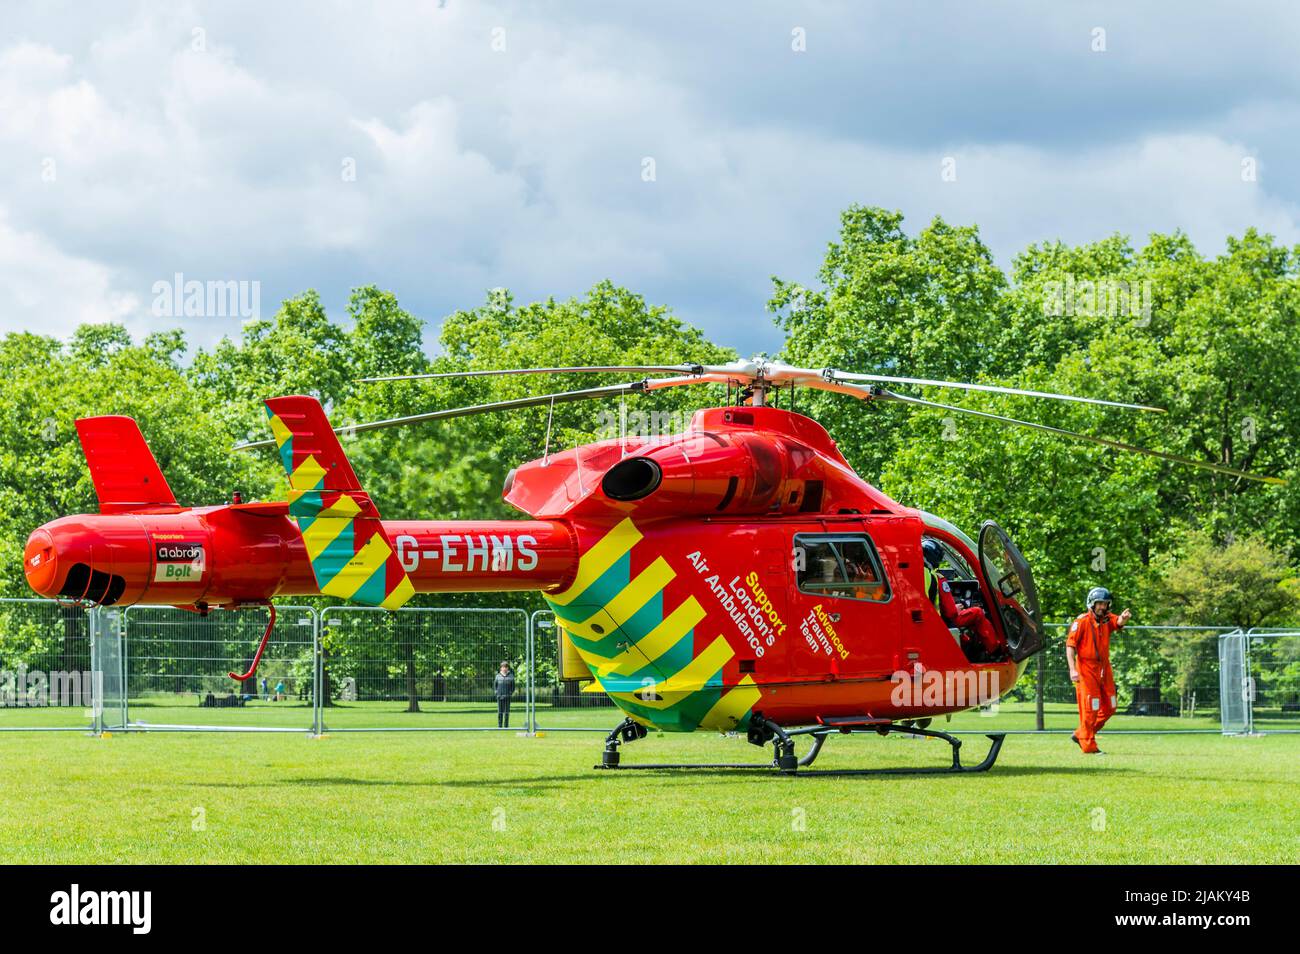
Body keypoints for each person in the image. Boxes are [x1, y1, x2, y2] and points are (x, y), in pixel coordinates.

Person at [1066, 586, 1132, 754]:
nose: (1103, 607)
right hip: (1086, 669)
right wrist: (1072, 669)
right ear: (1092, 604)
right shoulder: (1080, 622)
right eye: (1100, 604)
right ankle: (1089, 746)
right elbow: (1070, 646)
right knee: (1091, 707)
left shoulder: (1107, 619)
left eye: (1105, 604)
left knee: (1111, 706)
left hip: (1104, 668)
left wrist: (1123, 619)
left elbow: (1117, 622)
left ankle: (1081, 734)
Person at [921, 538, 1000, 658]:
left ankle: (969, 650)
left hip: (927, 623)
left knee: (963, 635)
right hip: (939, 623)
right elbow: (951, 612)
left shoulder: (915, 573)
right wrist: (957, 608)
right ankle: (995, 650)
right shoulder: (937, 578)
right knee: (977, 612)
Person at [493, 661, 516, 728]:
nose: (504, 668)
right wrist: (496, 693)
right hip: (499, 697)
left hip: (507, 697)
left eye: (506, 667)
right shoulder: (497, 676)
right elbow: (495, 686)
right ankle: (499, 726)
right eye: (503, 667)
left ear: (508, 668)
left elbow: (513, 687)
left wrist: (510, 693)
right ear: (501, 668)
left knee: (507, 712)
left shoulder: (511, 676)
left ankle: (506, 726)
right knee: (500, 712)